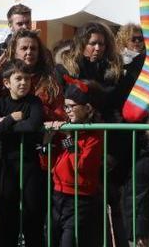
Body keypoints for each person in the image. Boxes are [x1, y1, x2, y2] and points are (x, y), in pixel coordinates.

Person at [0, 60, 46, 247]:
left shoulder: (34, 102)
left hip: (30, 164)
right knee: (7, 217)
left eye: (27, 78)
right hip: (6, 166)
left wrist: (4, 126)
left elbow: (33, 126)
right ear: (7, 82)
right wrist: (10, 118)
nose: (23, 83)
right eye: (18, 78)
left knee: (32, 216)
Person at [45, 80, 106, 247]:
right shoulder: (68, 129)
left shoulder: (93, 136)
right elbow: (48, 162)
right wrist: (47, 140)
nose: (68, 111)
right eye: (66, 107)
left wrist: (69, 139)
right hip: (58, 193)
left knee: (69, 242)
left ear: (87, 108)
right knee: (51, 239)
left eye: (72, 106)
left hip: (79, 198)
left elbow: (81, 167)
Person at [0, 28, 64, 121]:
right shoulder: (0, 78)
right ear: (14, 52)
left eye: (33, 48)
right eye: (24, 48)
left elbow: (60, 115)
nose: (29, 52)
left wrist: (38, 110)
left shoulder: (50, 79)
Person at [0, 4, 32, 76]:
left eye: (27, 22)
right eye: (20, 24)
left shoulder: (40, 49)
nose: (25, 27)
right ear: (10, 26)